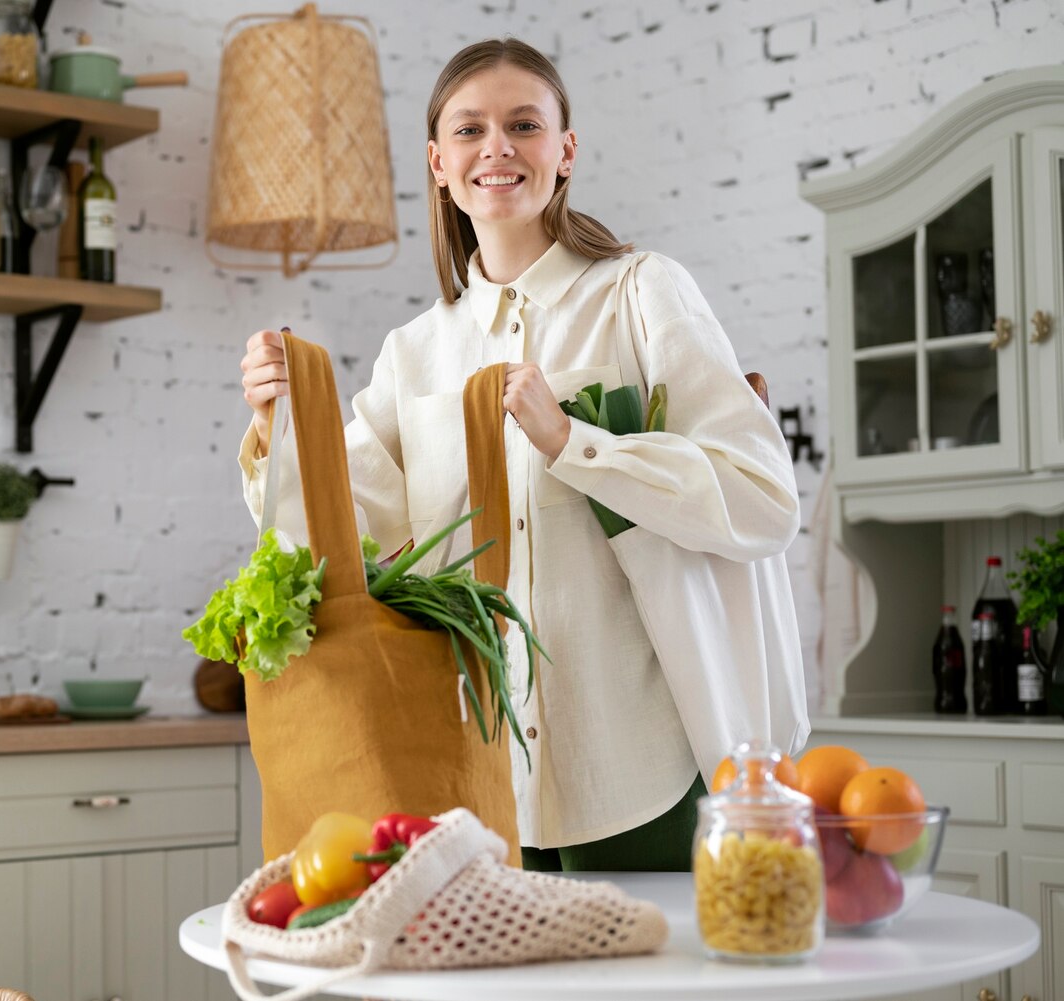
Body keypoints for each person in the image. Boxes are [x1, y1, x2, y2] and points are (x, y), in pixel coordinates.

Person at [235, 38, 801, 872]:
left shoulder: (641, 293)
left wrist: (574, 442)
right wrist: (274, 424)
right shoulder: (414, 353)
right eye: (469, 130)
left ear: (564, 150)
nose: (495, 147)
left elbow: (762, 498)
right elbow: (342, 535)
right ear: (438, 162)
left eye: (523, 124)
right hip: (480, 772)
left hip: (644, 761)